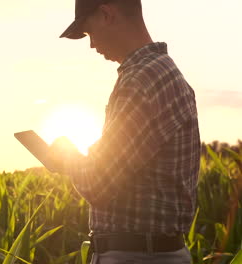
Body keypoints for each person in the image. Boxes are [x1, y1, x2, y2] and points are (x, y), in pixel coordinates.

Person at [49, 0, 201, 263]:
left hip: (135, 255)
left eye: (89, 32)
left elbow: (99, 182)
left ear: (107, 14)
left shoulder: (142, 81)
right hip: (152, 252)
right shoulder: (163, 73)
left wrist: (67, 156)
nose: (92, 45)